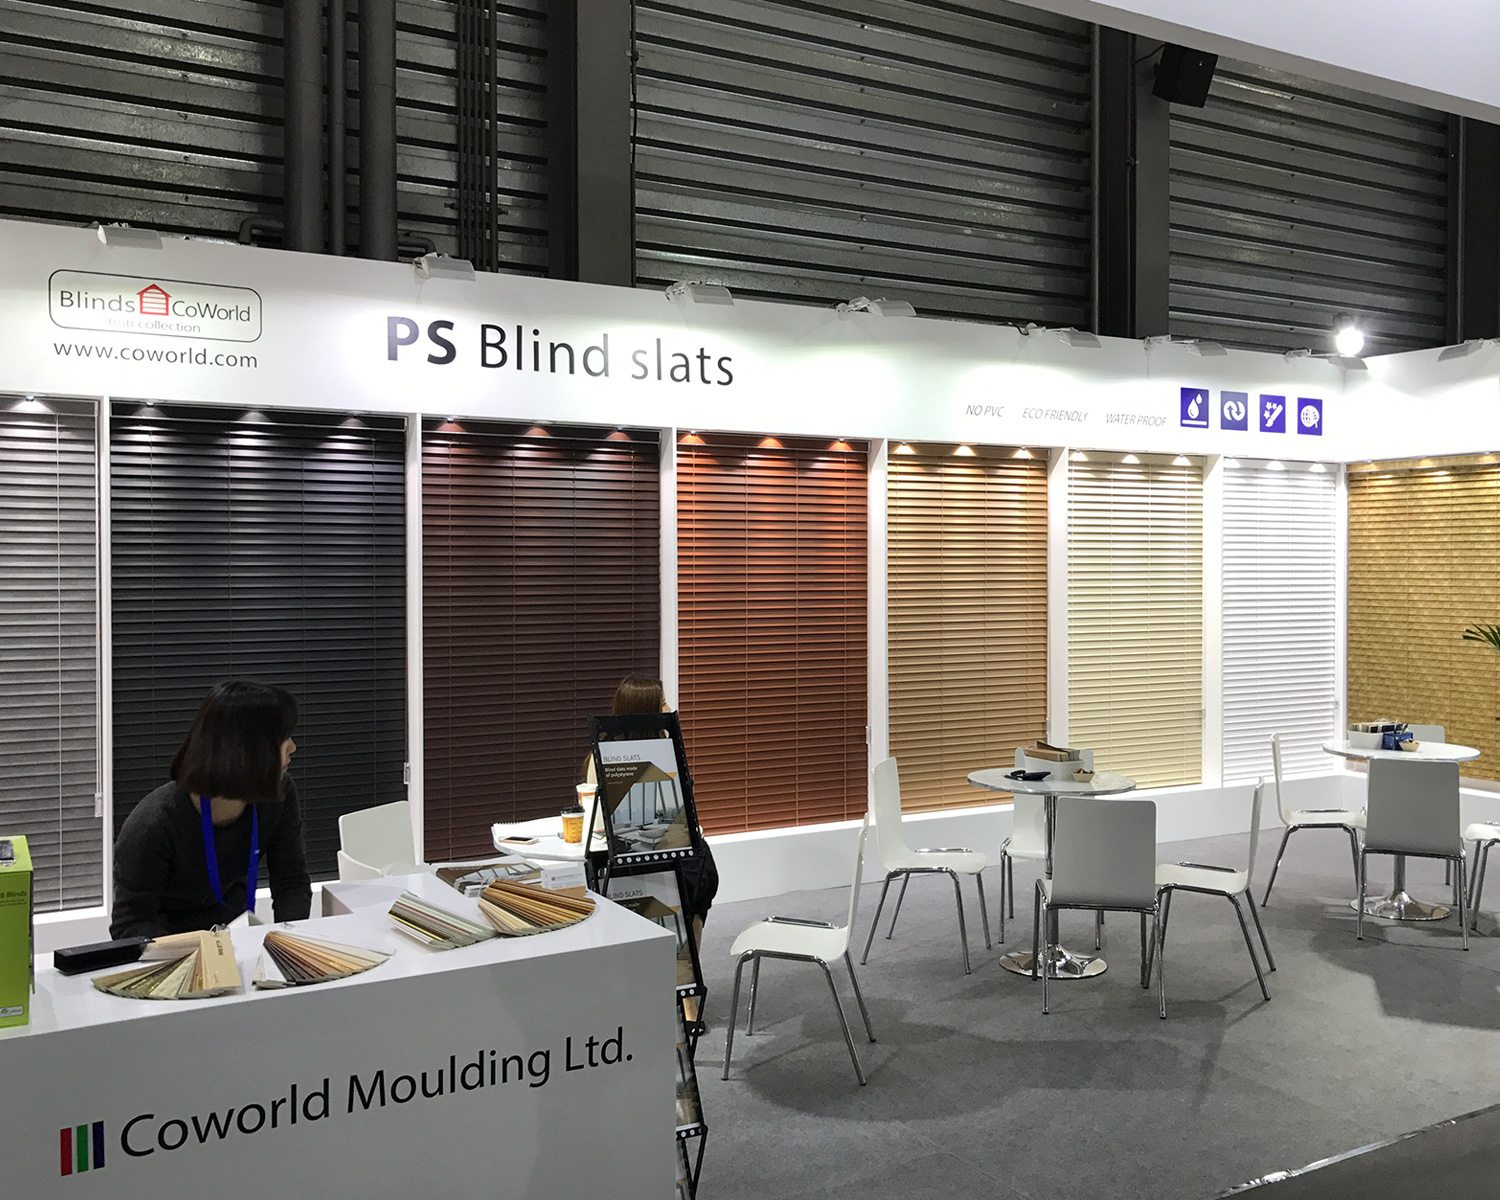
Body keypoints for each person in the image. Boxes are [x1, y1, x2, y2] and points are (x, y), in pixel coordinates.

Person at [111, 680, 312, 938]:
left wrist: (288, 943)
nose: (292, 747)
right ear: (250, 751)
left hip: (236, 939)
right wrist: (200, 953)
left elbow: (291, 881)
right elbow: (129, 925)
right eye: (283, 738)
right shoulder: (153, 825)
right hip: (172, 950)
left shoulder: (279, 794)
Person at [586, 675, 719, 937]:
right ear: (646, 712)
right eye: (663, 704)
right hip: (641, 859)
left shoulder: (662, 751)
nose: (669, 709)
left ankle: (687, 953)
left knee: (698, 864)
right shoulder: (613, 757)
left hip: (649, 851)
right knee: (696, 868)